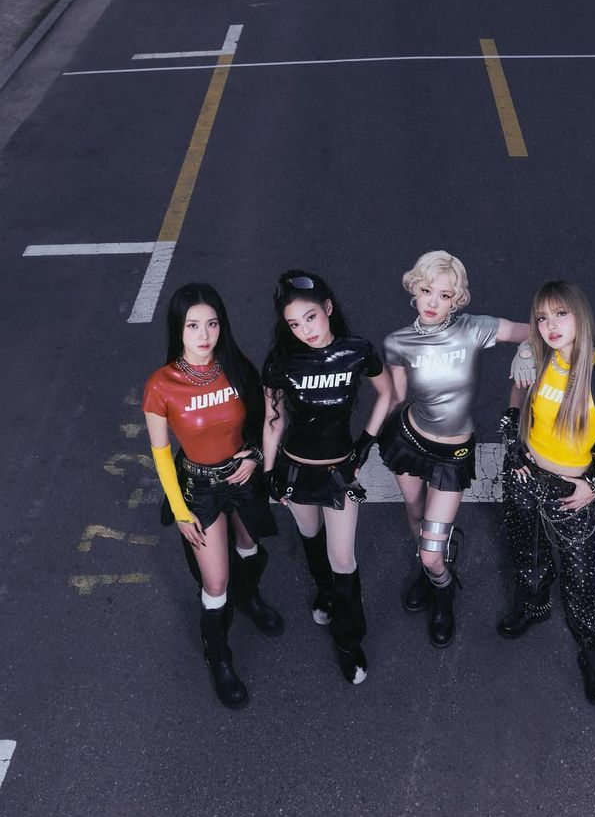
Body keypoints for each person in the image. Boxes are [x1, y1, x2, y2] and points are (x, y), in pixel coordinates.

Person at [496, 280, 595, 706]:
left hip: (570, 491)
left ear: (580, 315)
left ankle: (593, 648)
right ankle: (536, 605)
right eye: (542, 317)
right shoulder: (538, 360)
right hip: (524, 474)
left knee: (581, 577)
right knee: (526, 549)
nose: (550, 325)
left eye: (560, 314)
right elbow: (518, 395)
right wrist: (511, 433)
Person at [379, 250, 533, 648]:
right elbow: (395, 399)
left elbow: (537, 330)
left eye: (444, 295)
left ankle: (442, 587)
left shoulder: (474, 329)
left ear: (457, 299)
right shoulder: (397, 342)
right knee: (416, 517)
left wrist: (527, 350)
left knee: (433, 551)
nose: (433, 302)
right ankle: (428, 571)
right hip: (409, 442)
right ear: (414, 289)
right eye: (427, 290)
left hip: (454, 453)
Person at [143, 283, 283, 710]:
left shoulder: (236, 367)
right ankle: (219, 656)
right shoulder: (161, 386)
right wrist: (182, 512)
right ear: (178, 330)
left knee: (250, 547)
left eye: (212, 324)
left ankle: (250, 597)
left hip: (242, 480)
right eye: (192, 326)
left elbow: (265, 419)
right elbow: (162, 456)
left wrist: (257, 457)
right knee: (215, 580)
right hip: (199, 489)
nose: (204, 335)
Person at [262, 271, 392, 685]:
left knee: (343, 557)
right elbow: (271, 420)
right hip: (296, 468)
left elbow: (387, 393)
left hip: (340, 471)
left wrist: (366, 444)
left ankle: (349, 641)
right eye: (294, 324)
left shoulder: (356, 351)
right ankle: (323, 591)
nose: (305, 331)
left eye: (311, 318)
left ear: (329, 308)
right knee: (309, 535)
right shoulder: (283, 359)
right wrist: (269, 473)